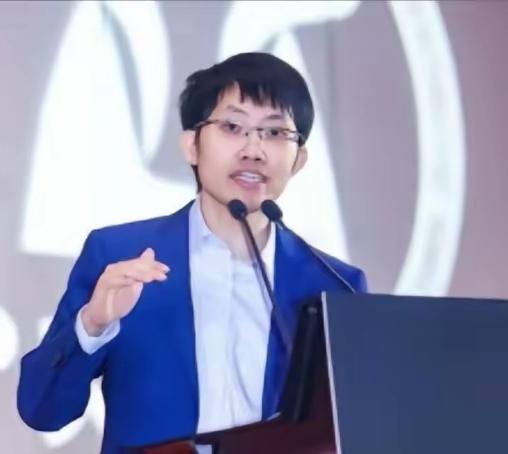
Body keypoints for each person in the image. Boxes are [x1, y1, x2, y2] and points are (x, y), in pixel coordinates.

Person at [17, 52, 367, 453]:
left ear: (299, 160)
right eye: (233, 127)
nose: (254, 149)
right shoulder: (120, 257)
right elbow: (43, 412)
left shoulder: (334, 284)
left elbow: (359, 427)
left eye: (274, 132)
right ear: (192, 146)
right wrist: (92, 326)